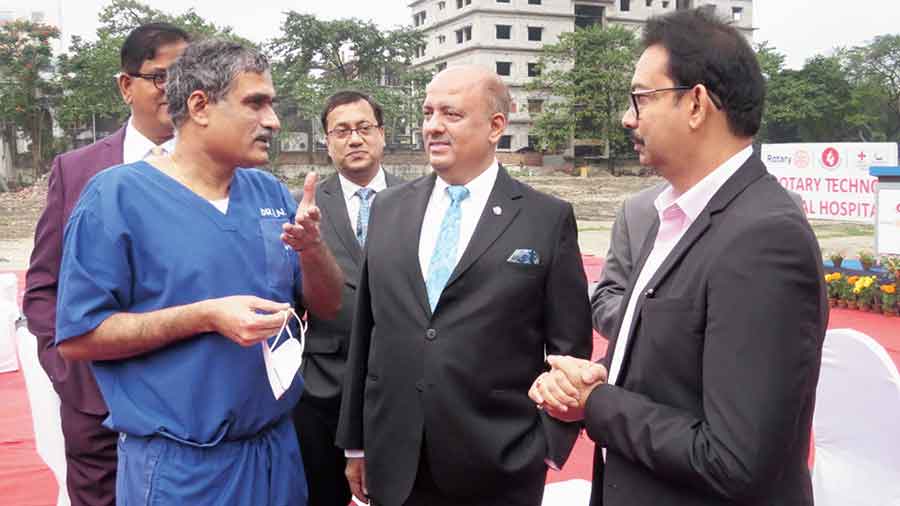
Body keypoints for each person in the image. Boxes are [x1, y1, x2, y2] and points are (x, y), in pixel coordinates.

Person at [530, 8, 827, 506]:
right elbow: (670, 369)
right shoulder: (673, 215)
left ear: (695, 104)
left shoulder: (763, 238)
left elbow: (734, 459)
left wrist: (597, 404)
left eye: (641, 98)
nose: (628, 117)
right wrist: (602, 375)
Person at [54, 39, 343, 505]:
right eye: (256, 103)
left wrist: (312, 249)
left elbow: (326, 305)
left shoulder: (267, 192)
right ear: (200, 105)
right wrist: (203, 317)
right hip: (183, 468)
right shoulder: (117, 198)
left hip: (276, 453)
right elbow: (77, 337)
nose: (272, 121)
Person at [335, 65, 592, 506]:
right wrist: (356, 443)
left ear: (496, 126)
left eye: (451, 114)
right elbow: (367, 333)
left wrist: (547, 449)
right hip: (396, 464)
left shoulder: (545, 219)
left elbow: (570, 351)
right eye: (428, 112)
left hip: (498, 467)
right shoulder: (389, 209)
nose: (433, 126)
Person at [23, 22, 190, 506]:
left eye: (187, 76)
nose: (176, 90)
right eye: (162, 77)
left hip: (188, 408)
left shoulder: (221, 169)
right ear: (126, 85)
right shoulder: (75, 171)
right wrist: (69, 372)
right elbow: (43, 287)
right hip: (97, 405)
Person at [292, 91, 403, 506]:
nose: (354, 139)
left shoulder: (420, 201)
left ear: (381, 135)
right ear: (327, 141)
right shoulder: (304, 206)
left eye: (363, 128)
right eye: (342, 131)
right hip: (324, 388)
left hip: (399, 387)